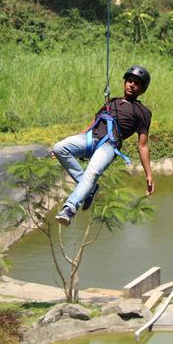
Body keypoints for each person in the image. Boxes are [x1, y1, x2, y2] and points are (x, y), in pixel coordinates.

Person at [52, 65, 154, 226]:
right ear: (124, 83)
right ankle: (90, 189)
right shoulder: (111, 102)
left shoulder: (143, 112)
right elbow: (93, 124)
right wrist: (72, 141)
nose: (131, 85)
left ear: (142, 89)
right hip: (90, 139)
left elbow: (142, 145)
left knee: (91, 174)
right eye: (129, 81)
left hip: (109, 146)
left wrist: (148, 174)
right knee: (59, 148)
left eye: (137, 83)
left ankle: (69, 208)